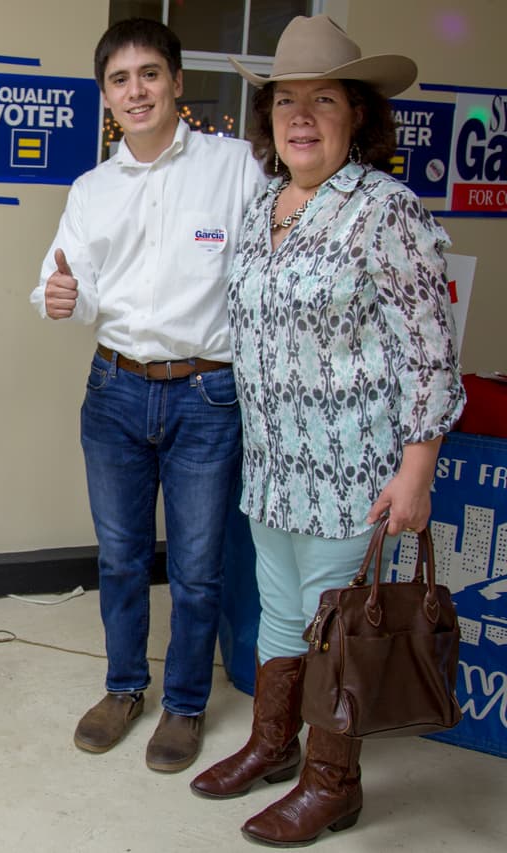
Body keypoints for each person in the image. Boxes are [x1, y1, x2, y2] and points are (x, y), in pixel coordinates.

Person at [190, 16, 465, 846]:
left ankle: (332, 781)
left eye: (323, 100)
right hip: (274, 467)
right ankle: (274, 743)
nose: (300, 116)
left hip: (355, 473)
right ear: (269, 120)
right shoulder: (261, 205)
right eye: (285, 102)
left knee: (338, 629)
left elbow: (430, 355)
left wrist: (417, 469)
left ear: (357, 117)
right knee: (279, 615)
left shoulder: (387, 211)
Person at [32, 18, 266, 773]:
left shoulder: (235, 168)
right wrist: (60, 294)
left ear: (176, 82)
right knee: (123, 558)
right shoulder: (92, 188)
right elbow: (65, 279)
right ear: (106, 95)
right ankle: (124, 687)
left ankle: (188, 703)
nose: (136, 91)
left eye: (149, 75)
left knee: (199, 567)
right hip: (114, 389)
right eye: (120, 80)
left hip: (208, 395)